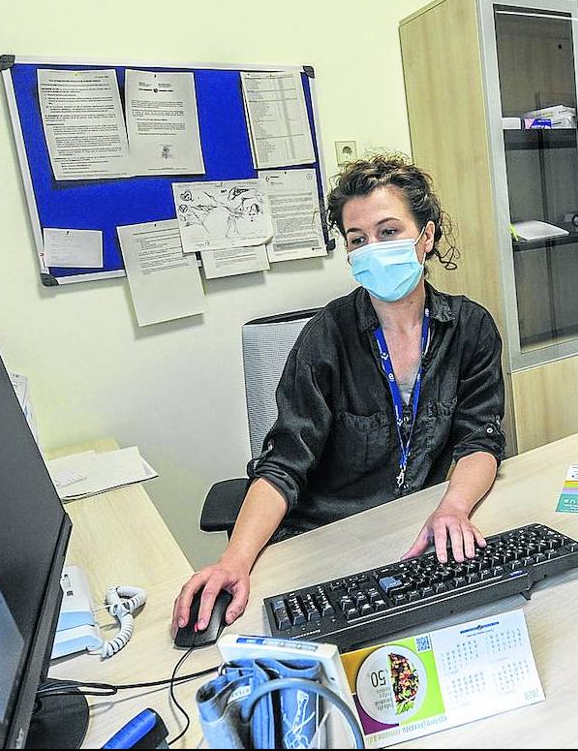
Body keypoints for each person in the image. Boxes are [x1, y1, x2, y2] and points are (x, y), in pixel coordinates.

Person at [173, 154, 507, 638]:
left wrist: (454, 507)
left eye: (389, 231)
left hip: (419, 529)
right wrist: (234, 560)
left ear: (426, 237)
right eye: (358, 239)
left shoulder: (471, 328)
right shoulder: (325, 338)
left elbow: (479, 439)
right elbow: (283, 463)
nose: (373, 249)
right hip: (326, 541)